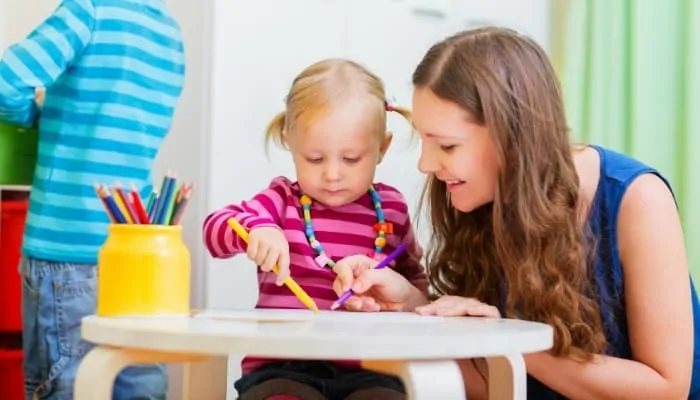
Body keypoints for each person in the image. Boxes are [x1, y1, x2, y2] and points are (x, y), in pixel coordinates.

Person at [332, 27, 700, 399]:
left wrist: (508, 339)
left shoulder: (636, 198)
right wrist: (411, 309)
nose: (426, 164)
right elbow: (499, 383)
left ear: (512, 136)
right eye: (424, 140)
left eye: (447, 145)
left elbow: (666, 389)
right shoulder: (477, 198)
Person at [202, 58, 427, 400]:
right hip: (282, 367)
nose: (332, 174)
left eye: (351, 159)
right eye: (315, 159)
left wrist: (411, 302)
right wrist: (259, 229)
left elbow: (417, 288)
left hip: (372, 369)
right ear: (289, 142)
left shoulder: (392, 209)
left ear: (382, 148)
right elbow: (215, 230)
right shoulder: (282, 199)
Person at [0, 0, 186, 398]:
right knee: (139, 383)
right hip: (136, 250)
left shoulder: (89, 10)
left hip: (66, 250)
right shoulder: (170, 34)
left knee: (66, 386)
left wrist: (31, 115)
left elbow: (7, 78)